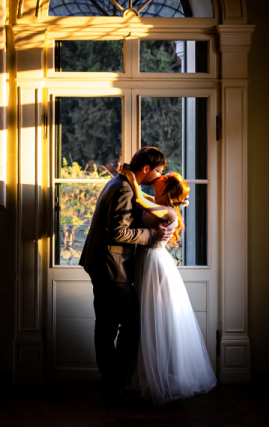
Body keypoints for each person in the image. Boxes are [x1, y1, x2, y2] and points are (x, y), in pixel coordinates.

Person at [78, 146, 174, 402]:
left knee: (107, 325)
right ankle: (116, 382)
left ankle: (110, 384)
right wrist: (151, 235)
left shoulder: (122, 182)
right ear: (146, 169)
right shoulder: (123, 188)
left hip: (104, 264)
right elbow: (118, 232)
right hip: (111, 267)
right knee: (131, 324)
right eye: (159, 171)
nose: (159, 176)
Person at [118, 166, 217, 405]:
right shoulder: (158, 202)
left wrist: (130, 176)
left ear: (168, 188)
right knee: (146, 318)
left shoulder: (168, 212)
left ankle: (159, 378)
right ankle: (149, 374)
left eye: (163, 177)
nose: (158, 177)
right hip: (145, 264)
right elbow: (141, 199)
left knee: (155, 318)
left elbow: (139, 197)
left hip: (155, 267)